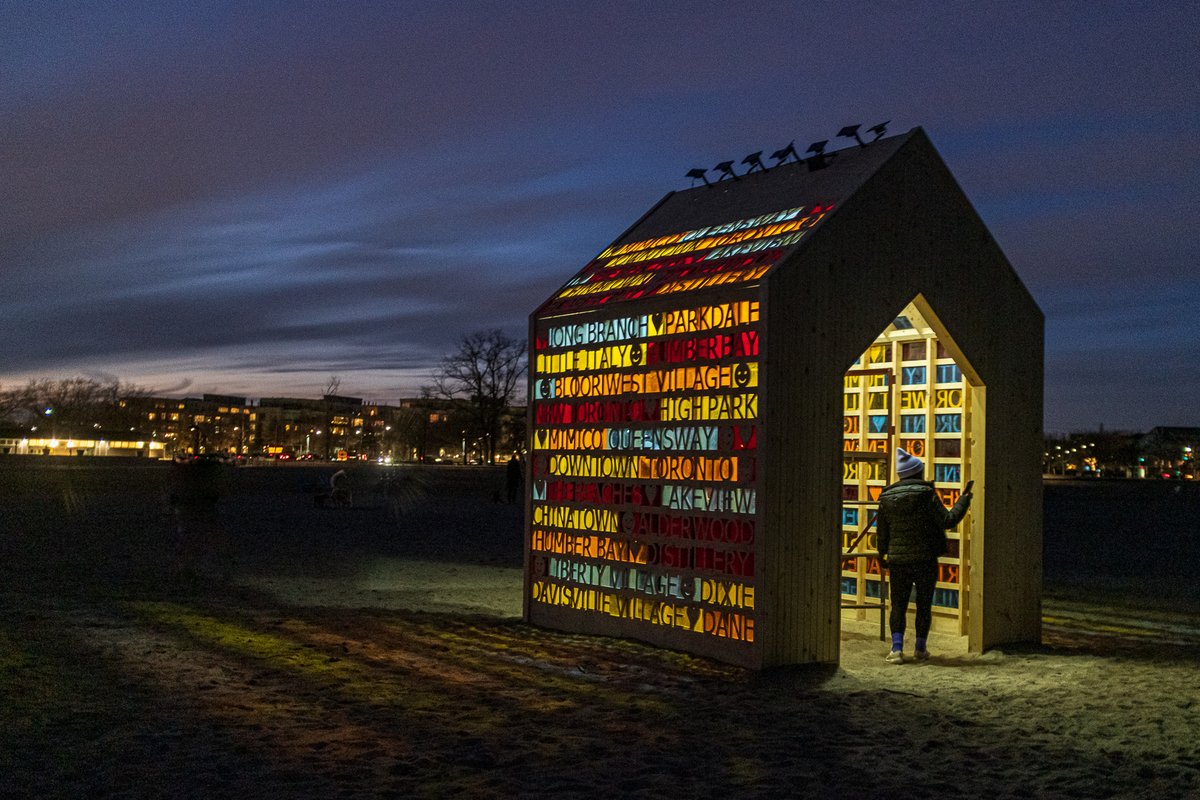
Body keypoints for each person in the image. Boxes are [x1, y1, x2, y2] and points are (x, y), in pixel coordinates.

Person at [876, 447, 971, 664]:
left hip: (898, 560)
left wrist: (883, 555)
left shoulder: (886, 498)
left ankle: (897, 650)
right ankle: (920, 649)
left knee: (898, 604)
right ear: (917, 473)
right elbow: (948, 520)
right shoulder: (926, 495)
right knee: (923, 604)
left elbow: (882, 533)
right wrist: (963, 500)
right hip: (925, 559)